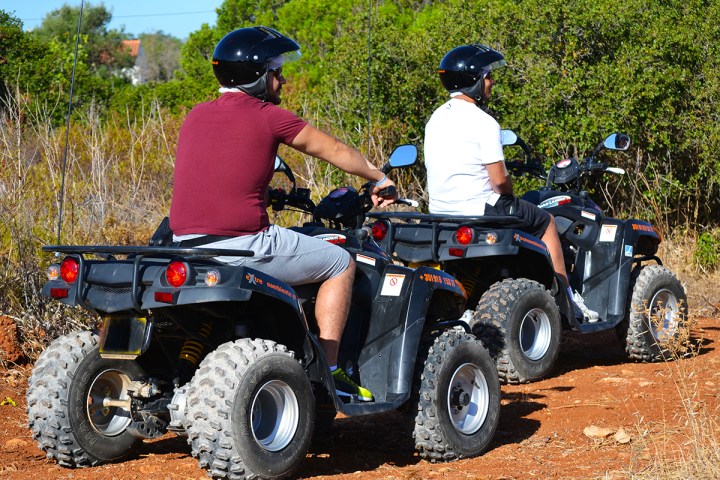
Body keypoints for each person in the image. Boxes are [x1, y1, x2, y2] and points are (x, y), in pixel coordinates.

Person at [169, 26, 397, 401]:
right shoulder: (268, 116)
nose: (283, 79)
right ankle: (332, 370)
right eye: (277, 71)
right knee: (340, 262)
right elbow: (335, 151)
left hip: (186, 244)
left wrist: (268, 191)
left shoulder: (196, 115)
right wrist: (378, 177)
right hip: (244, 243)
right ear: (258, 74)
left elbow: (219, 169)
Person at [423, 43, 598, 322]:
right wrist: (509, 187)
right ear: (474, 81)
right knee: (545, 221)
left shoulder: (435, 118)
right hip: (480, 207)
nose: (491, 82)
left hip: (441, 212)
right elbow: (500, 181)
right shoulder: (484, 122)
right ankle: (568, 294)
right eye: (488, 77)